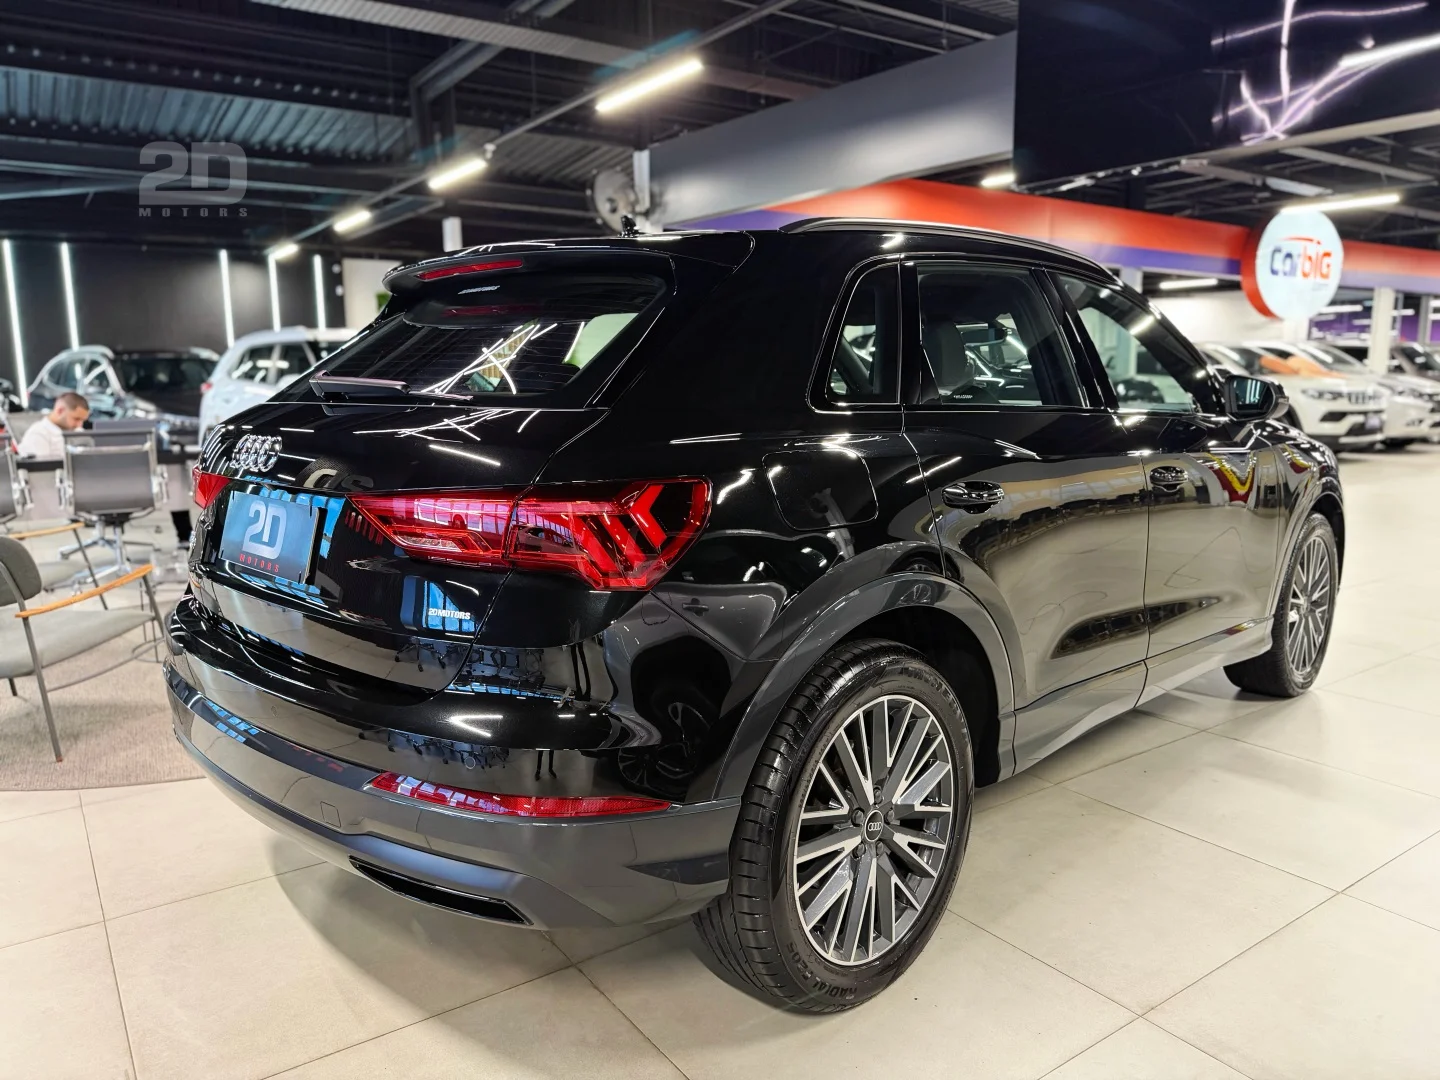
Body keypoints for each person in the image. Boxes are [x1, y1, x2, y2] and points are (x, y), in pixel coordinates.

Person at [17, 392, 90, 459]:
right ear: (60, 411)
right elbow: (41, 467)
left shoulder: (77, 431)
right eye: (76, 419)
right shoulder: (38, 434)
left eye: (82, 420)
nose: (79, 425)